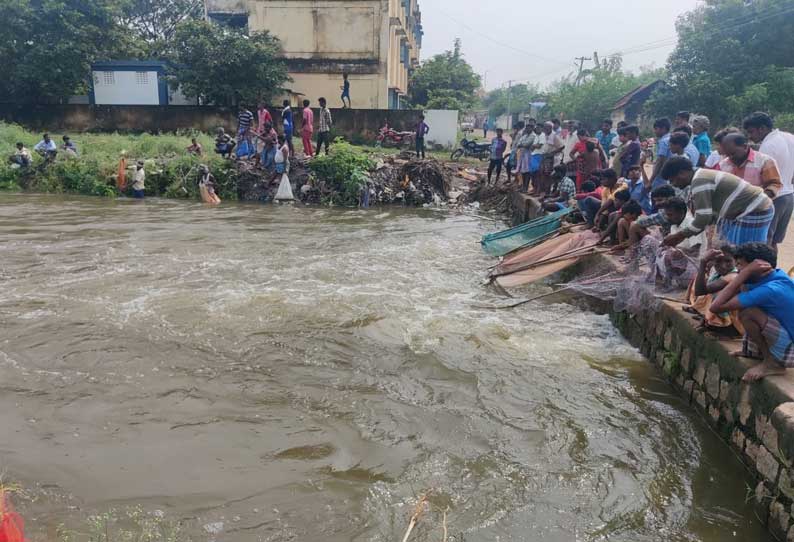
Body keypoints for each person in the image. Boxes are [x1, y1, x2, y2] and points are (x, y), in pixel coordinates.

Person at [709, 243, 794, 381]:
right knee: (744, 298)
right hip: (786, 336)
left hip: (791, 348)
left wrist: (744, 274)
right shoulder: (773, 275)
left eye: (741, 266)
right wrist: (745, 274)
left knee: (749, 314)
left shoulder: (771, 289)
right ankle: (755, 352)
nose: (738, 269)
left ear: (760, 267)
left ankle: (772, 364)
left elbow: (715, 307)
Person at [661, 157, 775, 247]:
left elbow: (703, 218)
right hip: (743, 212)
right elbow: (708, 217)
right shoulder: (700, 177)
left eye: (672, 180)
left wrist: (679, 236)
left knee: (746, 253)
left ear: (682, 173)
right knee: (732, 249)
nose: (673, 184)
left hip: (754, 210)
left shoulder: (700, 181)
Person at [743, 112, 794, 248]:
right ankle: (772, 268)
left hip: (774, 197)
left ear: (762, 128)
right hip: (789, 195)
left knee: (764, 242)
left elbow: (763, 177)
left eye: (751, 132)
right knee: (774, 241)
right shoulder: (789, 137)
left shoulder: (768, 146)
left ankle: (764, 269)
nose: (749, 136)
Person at [686, 248, 743, 333]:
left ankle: (723, 325)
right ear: (713, 263)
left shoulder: (733, 276)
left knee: (717, 295)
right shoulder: (717, 274)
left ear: (736, 262)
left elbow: (700, 291)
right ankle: (707, 317)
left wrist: (703, 262)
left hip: (736, 323)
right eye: (718, 261)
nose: (723, 266)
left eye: (728, 261)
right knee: (701, 280)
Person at [718, 133, 782, 200]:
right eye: (727, 155)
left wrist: (757, 200)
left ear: (745, 147)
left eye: (733, 153)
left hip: (759, 206)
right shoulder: (723, 165)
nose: (730, 158)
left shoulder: (764, 161)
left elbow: (774, 185)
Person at [649, 118, 672, 185]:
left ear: (663, 128)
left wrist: (651, 181)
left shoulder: (663, 141)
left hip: (661, 177)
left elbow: (660, 161)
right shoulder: (671, 138)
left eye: (656, 129)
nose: (654, 131)